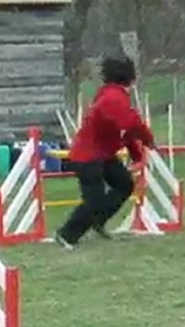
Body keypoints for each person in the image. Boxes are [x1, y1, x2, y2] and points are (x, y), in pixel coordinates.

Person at [55, 55, 154, 250]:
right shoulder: (113, 98)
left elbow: (123, 131)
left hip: (103, 154)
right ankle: (67, 235)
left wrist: (137, 154)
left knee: (124, 184)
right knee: (95, 200)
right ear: (131, 78)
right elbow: (131, 124)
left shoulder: (112, 95)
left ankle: (97, 221)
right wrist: (148, 140)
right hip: (87, 156)